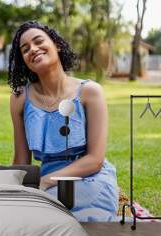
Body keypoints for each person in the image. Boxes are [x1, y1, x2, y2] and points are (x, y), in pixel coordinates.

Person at [8, 21, 118, 222]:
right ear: (24, 60)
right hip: (46, 182)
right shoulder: (19, 99)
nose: (33, 49)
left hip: (89, 178)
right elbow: (22, 160)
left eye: (38, 41)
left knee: (80, 223)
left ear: (56, 45)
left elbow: (95, 160)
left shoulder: (90, 92)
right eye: (25, 49)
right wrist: (12, 191)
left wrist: (45, 182)